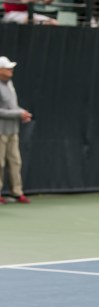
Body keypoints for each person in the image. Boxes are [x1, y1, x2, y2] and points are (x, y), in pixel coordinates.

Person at [0, 56, 31, 205]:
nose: (11, 70)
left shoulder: (10, 84)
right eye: (7, 68)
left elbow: (11, 107)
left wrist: (22, 112)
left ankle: (17, 193)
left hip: (13, 131)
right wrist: (17, 114)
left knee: (15, 162)